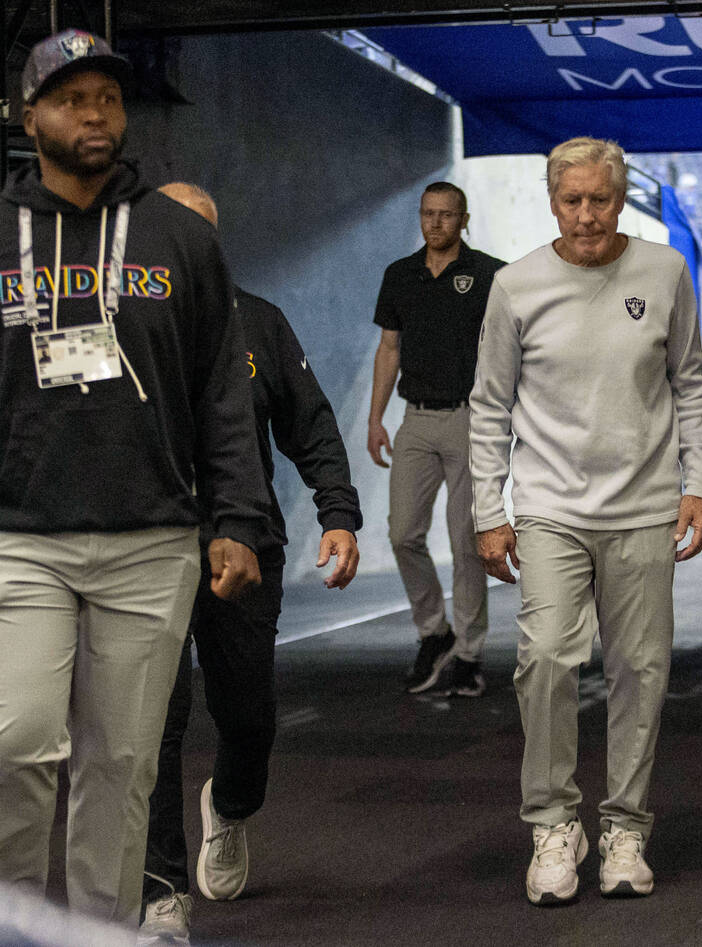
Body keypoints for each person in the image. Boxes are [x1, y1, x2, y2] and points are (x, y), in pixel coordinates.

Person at [0, 31, 271, 929]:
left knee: (120, 767)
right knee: (16, 743)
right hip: (19, 538)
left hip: (153, 540)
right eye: (71, 98)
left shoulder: (179, 237)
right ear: (29, 117)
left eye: (108, 99)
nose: (95, 114)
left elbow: (221, 388)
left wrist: (237, 517)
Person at [470, 136, 702, 905]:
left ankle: (626, 828)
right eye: (571, 201)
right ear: (553, 203)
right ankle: (551, 824)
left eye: (599, 200)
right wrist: (488, 508)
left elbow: (691, 382)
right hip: (550, 510)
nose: (586, 215)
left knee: (641, 670)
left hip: (644, 507)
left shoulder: (665, 272)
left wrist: (698, 484)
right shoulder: (515, 286)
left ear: (620, 199)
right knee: (545, 658)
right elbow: (490, 405)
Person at [137, 184, 363, 945]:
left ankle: (230, 808)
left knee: (248, 719)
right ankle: (162, 890)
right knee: (155, 726)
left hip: (244, 545)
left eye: (199, 235)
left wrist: (338, 513)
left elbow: (311, 422)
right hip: (151, 550)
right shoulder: (122, 320)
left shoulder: (258, 322)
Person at [368, 183, 505, 697]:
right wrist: (375, 419)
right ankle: (435, 631)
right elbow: (389, 348)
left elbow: (512, 348)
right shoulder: (399, 275)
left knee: (468, 542)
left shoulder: (491, 275)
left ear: (463, 219)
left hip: (471, 421)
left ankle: (468, 653)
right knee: (402, 533)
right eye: (428, 214)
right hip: (416, 420)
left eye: (447, 215)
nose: (436, 223)